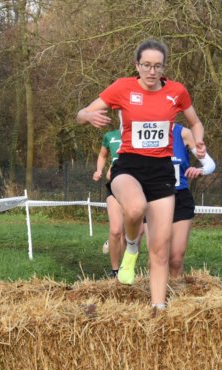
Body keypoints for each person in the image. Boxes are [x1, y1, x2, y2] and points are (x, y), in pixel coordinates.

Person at [77, 38, 206, 310]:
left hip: (161, 171)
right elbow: (82, 113)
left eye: (157, 66)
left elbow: (195, 122)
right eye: (146, 65)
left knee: (160, 249)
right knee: (135, 208)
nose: (151, 71)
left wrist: (199, 140)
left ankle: (158, 308)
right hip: (128, 166)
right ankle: (132, 246)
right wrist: (88, 116)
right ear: (137, 65)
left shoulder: (176, 92)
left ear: (164, 67)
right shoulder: (122, 87)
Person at [168, 123, 215, 277]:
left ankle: (176, 290)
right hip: (154, 199)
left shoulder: (183, 133)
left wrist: (200, 170)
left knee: (176, 259)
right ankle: (157, 290)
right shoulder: (143, 130)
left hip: (180, 197)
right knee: (158, 257)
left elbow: (209, 164)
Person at [92, 128, 128, 276]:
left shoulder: (139, 134)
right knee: (116, 230)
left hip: (134, 189)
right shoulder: (110, 136)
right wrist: (99, 170)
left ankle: (125, 270)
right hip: (114, 186)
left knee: (126, 234)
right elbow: (102, 155)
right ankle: (114, 271)